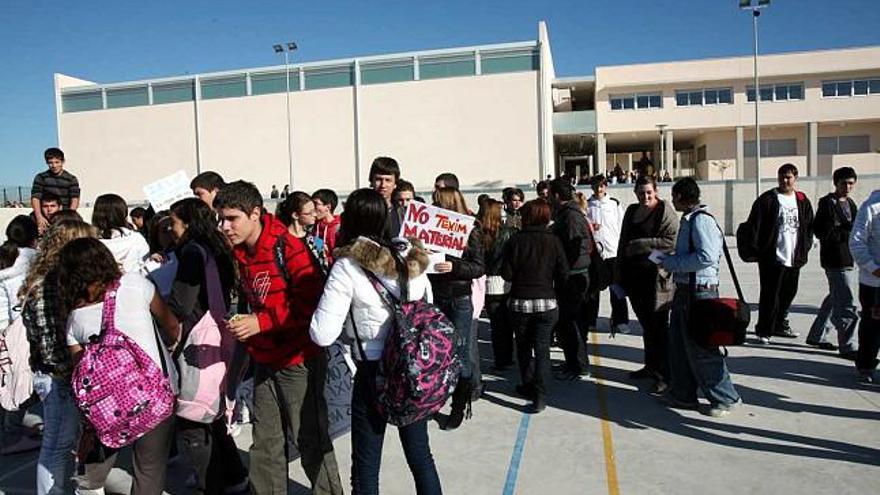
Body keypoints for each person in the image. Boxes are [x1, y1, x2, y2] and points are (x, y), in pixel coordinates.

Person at [310, 188, 443, 495]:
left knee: (367, 465)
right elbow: (427, 308)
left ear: (350, 221)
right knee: (421, 456)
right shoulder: (411, 258)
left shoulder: (347, 265)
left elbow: (322, 333)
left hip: (373, 370)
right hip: (413, 368)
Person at [213, 181, 343, 494]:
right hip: (265, 360)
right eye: (220, 218)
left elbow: (312, 305)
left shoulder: (288, 247)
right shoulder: (242, 251)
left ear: (255, 213)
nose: (224, 226)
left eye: (231, 218)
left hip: (298, 360)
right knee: (265, 443)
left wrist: (261, 322)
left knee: (309, 439)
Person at [60, 238, 180, 495]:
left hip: (108, 408)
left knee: (93, 468)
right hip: (156, 396)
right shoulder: (136, 284)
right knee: (149, 470)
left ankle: (90, 488)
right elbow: (171, 326)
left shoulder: (74, 319)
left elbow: (81, 374)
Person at [165, 198, 249, 494]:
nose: (170, 229)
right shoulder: (218, 247)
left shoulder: (191, 252)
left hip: (196, 341)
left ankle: (208, 485)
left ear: (187, 223)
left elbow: (181, 304)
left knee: (192, 420)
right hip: (219, 335)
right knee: (213, 416)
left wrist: (153, 301)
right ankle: (236, 478)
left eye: (173, 223)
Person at [19, 220, 96, 495]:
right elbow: (53, 340)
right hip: (58, 376)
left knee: (61, 445)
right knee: (57, 446)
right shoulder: (52, 284)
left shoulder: (44, 279)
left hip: (54, 374)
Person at [659, 177, 742, 417]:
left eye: (674, 196)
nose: (672, 201)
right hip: (686, 291)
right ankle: (682, 393)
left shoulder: (701, 221)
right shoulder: (691, 220)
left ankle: (726, 398)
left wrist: (672, 262)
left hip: (699, 293)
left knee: (702, 349)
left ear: (682, 197)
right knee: (679, 346)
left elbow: (705, 257)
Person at [501, 199, 568, 413]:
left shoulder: (515, 241)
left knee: (523, 347)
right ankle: (540, 394)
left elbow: (506, 274)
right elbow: (563, 273)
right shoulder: (554, 241)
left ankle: (528, 384)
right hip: (546, 302)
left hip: (520, 302)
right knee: (542, 349)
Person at [429, 187, 484, 430]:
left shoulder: (470, 229)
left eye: (437, 201)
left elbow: (479, 267)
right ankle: (438, 398)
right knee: (437, 352)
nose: (433, 204)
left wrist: (455, 268)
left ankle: (460, 406)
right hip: (436, 297)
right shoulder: (430, 229)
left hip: (459, 298)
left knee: (460, 354)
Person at [618, 175, 678, 393]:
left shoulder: (664, 211)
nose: (645, 196)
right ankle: (651, 366)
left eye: (649, 192)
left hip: (657, 280)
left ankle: (665, 375)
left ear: (656, 192)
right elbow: (623, 241)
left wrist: (642, 245)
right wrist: (619, 272)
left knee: (659, 328)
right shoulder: (632, 211)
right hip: (635, 279)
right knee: (647, 326)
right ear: (635, 192)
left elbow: (672, 240)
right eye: (641, 192)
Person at [742, 164, 814, 344]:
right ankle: (764, 330)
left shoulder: (802, 200)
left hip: (794, 256)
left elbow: (808, 227)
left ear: (795, 178)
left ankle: (780, 324)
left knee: (789, 292)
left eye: (788, 177)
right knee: (770, 294)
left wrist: (805, 247)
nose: (784, 180)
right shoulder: (768, 199)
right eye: (781, 177)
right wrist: (757, 251)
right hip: (772, 258)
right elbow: (754, 225)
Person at [808, 167, 859, 357]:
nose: (847, 187)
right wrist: (847, 232)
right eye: (844, 183)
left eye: (851, 183)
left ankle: (817, 334)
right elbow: (822, 232)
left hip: (848, 258)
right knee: (846, 303)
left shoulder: (851, 204)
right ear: (835, 183)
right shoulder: (828, 204)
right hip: (835, 259)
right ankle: (847, 345)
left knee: (834, 297)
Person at [0, 215, 40, 456]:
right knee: (19, 382)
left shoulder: (5, 256)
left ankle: (9, 431)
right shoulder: (29, 260)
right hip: (14, 329)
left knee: (6, 379)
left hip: (2, 327)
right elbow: (20, 302)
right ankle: (11, 434)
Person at [547, 178, 592, 380]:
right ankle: (573, 362)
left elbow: (574, 247)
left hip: (574, 277)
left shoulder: (571, 216)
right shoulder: (566, 215)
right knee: (569, 322)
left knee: (571, 322)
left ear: (557, 196)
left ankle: (578, 365)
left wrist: (563, 270)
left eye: (549, 194)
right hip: (572, 275)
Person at [585, 175, 630, 335]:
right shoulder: (588, 205)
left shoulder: (614, 204)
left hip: (613, 252)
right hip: (595, 254)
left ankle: (621, 320)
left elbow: (622, 226)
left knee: (616, 288)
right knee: (592, 290)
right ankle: (590, 321)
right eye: (596, 186)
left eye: (601, 186)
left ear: (606, 187)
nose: (599, 189)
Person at [479, 199, 516, 371]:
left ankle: (501, 359)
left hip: (487, 282)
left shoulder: (479, 234)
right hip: (505, 281)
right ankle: (507, 358)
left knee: (497, 325)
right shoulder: (508, 233)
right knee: (507, 324)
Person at [850, 188, 880, 383]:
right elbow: (856, 242)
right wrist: (874, 268)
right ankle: (866, 365)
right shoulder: (872, 206)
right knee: (872, 325)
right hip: (874, 283)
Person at [92, 193, 150, 273]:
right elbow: (146, 269)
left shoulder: (91, 244)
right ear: (123, 213)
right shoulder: (136, 239)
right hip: (135, 283)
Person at [31, 148, 80, 234]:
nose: (54, 165)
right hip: (44, 216)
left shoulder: (71, 179)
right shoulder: (41, 177)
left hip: (64, 216)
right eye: (50, 163)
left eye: (57, 162)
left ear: (63, 162)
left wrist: (69, 217)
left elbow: (75, 199)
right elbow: (35, 197)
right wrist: (39, 217)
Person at [370, 157, 404, 238]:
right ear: (371, 181)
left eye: (388, 180)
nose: (383, 185)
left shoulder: (403, 214)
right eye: (378, 179)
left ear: (395, 183)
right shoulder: (361, 211)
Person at [312, 188, 341, 254]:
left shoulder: (339, 228)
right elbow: (319, 249)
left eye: (315, 203)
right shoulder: (315, 226)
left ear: (328, 207)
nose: (312, 208)